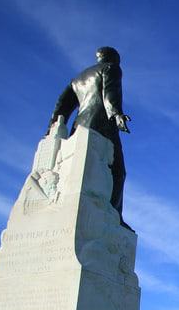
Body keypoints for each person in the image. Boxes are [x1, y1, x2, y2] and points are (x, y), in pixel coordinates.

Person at [50, 46, 132, 228]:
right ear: (113, 58)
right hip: (101, 125)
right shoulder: (111, 68)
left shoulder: (77, 79)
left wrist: (53, 127)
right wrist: (116, 114)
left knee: (76, 168)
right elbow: (110, 92)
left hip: (78, 127)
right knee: (118, 171)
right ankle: (114, 215)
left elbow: (62, 106)